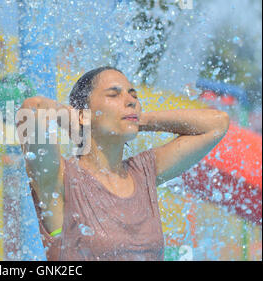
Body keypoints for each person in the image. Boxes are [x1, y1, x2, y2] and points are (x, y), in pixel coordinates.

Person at [17, 66, 230, 261]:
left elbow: (217, 123)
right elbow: (32, 109)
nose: (131, 101)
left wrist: (140, 120)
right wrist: (77, 119)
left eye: (133, 95)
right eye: (114, 94)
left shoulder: (143, 173)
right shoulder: (60, 180)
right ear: (82, 114)